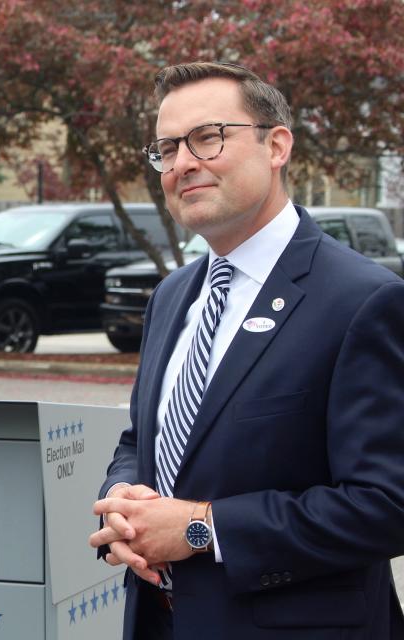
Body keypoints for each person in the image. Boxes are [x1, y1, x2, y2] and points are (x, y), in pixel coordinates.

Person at [89, 62, 404, 639]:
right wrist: (121, 497)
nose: (183, 163)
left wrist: (199, 530)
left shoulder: (365, 300)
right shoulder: (172, 296)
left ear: (276, 145)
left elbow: (386, 505)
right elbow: (142, 440)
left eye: (208, 138)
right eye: (166, 148)